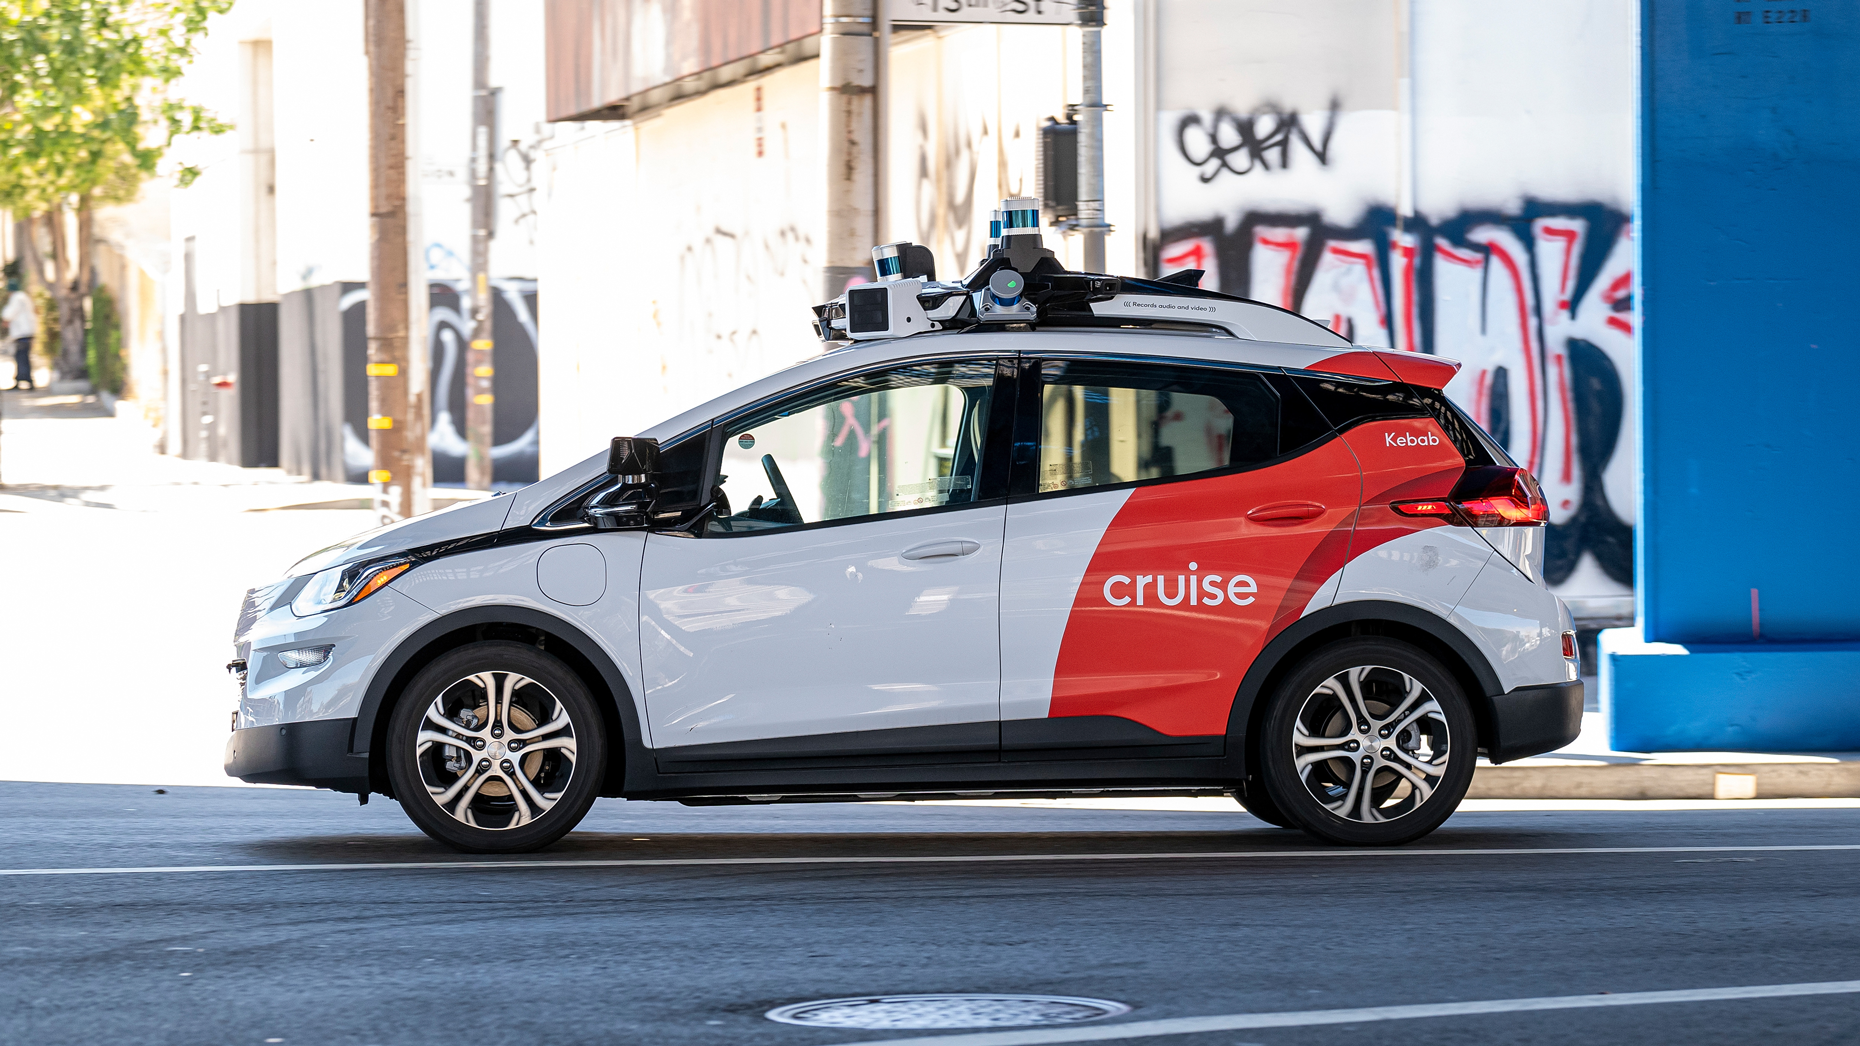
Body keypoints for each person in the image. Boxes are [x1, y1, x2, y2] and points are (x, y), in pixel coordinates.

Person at [3, 278, 36, 390]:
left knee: (21, 357)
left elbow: (9, 314)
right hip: (27, 332)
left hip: (22, 333)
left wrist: (5, 318)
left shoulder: (16, 298)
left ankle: (26, 381)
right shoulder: (24, 297)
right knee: (23, 356)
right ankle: (22, 380)